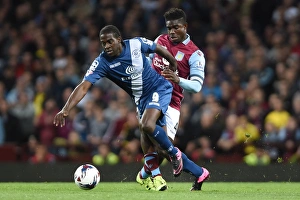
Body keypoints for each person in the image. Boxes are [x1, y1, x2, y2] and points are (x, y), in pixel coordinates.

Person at [53, 24, 184, 179]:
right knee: (151, 139)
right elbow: (83, 86)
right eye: (103, 43)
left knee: (147, 125)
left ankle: (174, 154)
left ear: (119, 39)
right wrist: (66, 109)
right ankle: (155, 174)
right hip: (140, 98)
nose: (107, 46)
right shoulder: (102, 62)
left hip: (158, 88)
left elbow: (158, 48)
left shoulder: (136, 43)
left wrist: (173, 64)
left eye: (110, 42)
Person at [136, 8, 210, 191]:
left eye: (176, 27)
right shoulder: (160, 40)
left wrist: (178, 79)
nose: (172, 32)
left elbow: (197, 86)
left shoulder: (195, 54)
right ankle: (151, 175)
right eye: (169, 28)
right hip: (150, 95)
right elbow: (148, 60)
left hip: (171, 103)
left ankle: (197, 172)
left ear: (185, 27)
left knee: (162, 146)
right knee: (146, 131)